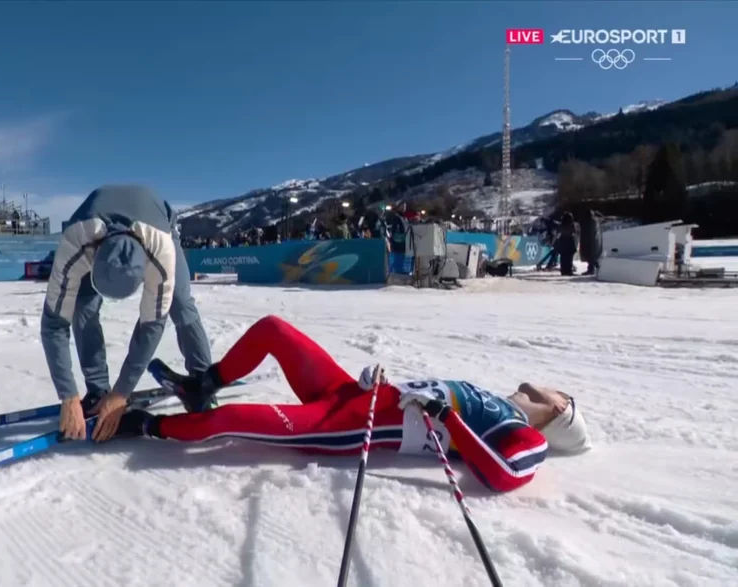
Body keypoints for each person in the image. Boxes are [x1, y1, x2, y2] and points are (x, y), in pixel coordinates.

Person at [114, 315, 592, 493]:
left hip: (345, 425)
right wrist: (380, 378)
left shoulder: (527, 436)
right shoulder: (494, 398)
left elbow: (503, 476)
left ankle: (146, 427)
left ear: (559, 412)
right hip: (354, 394)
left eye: (559, 393)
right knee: (273, 330)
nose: (548, 385)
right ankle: (205, 383)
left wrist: (446, 417)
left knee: (230, 419)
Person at [42, 185, 213, 444]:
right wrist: (67, 395)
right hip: (92, 229)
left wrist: (122, 393)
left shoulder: (160, 249)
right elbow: (54, 323)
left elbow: (152, 325)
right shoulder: (74, 242)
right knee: (83, 307)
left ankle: (203, 382)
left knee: (180, 303)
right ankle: (98, 390)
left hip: (158, 222)